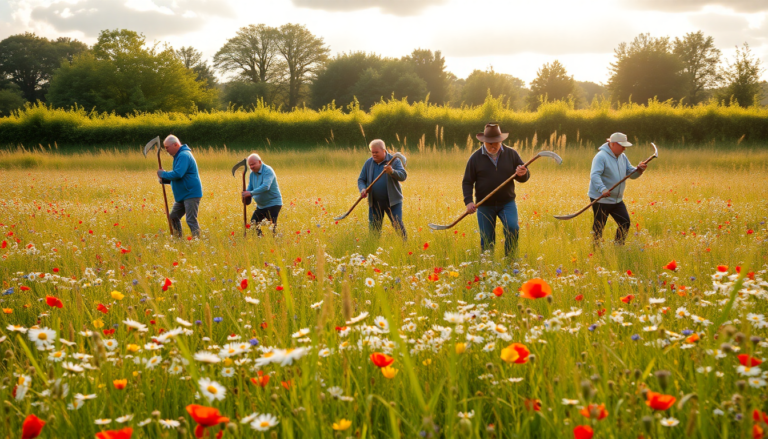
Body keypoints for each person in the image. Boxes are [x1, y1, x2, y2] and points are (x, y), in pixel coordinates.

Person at [462, 123, 529, 257]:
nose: (493, 146)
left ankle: (510, 259)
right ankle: (488, 266)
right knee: (487, 239)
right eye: (489, 143)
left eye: (496, 143)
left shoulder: (511, 154)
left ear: (501, 140)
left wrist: (523, 173)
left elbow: (524, 176)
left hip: (507, 203)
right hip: (484, 205)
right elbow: (467, 182)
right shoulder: (475, 158)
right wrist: (469, 201)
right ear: (484, 141)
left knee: (513, 227)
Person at [588, 132, 648, 245]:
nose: (624, 148)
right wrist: (602, 189)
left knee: (624, 222)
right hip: (601, 198)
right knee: (599, 227)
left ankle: (618, 246)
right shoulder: (601, 157)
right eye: (622, 146)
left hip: (617, 200)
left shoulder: (622, 156)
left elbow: (631, 173)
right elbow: (594, 175)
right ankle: (595, 250)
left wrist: (639, 170)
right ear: (613, 144)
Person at [357, 139, 407, 239]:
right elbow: (361, 179)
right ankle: (374, 249)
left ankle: (405, 245)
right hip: (375, 202)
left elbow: (403, 176)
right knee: (374, 230)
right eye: (372, 152)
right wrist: (363, 189)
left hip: (393, 201)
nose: (374, 154)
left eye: (376, 152)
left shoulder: (394, 160)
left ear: (384, 151)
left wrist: (392, 171)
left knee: (398, 226)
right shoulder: (369, 163)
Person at [156, 135, 203, 238]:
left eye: (167, 147)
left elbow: (178, 174)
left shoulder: (183, 155)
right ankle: (178, 239)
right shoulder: (178, 156)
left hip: (190, 193)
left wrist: (163, 174)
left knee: (190, 219)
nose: (166, 150)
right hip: (183, 195)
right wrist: (164, 179)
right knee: (173, 217)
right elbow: (180, 178)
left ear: (176, 144)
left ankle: (197, 241)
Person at [241, 153, 282, 236]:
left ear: (259, 162)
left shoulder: (268, 170)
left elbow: (266, 187)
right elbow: (250, 187)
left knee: (272, 227)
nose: (251, 167)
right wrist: (246, 194)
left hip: (273, 204)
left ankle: (277, 241)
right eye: (250, 165)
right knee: (253, 225)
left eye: (253, 164)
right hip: (261, 206)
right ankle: (261, 240)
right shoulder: (252, 174)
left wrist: (250, 193)